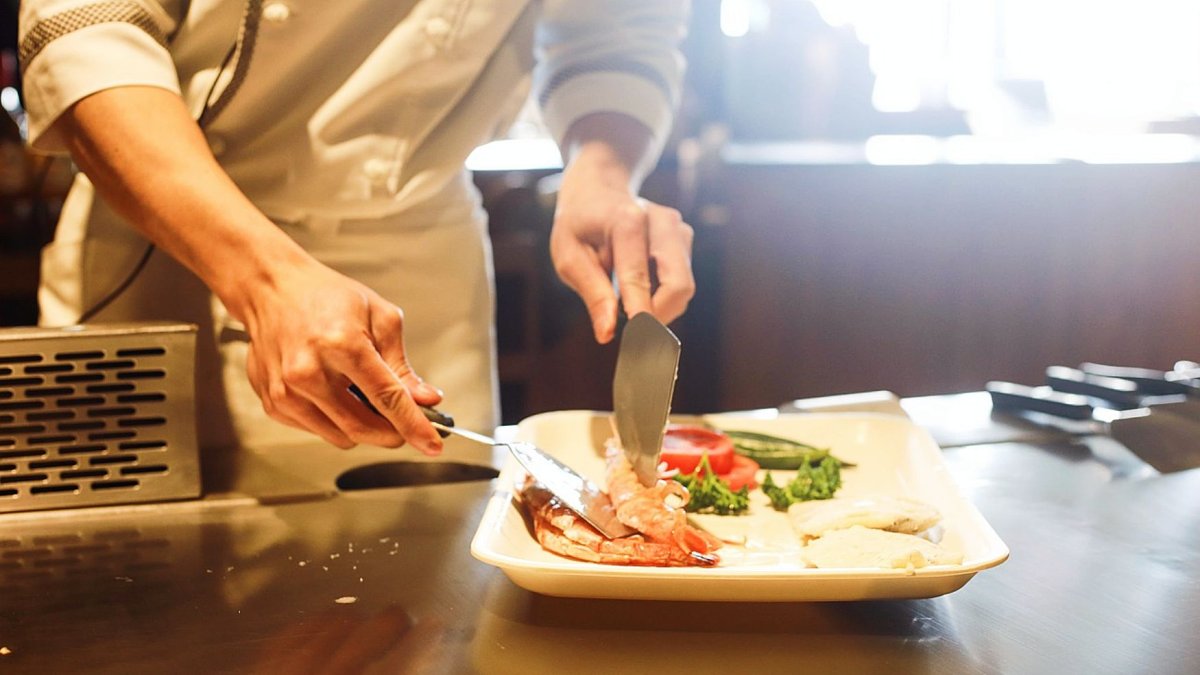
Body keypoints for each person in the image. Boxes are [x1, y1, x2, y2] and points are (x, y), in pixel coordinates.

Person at [17, 1, 695, 459]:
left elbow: (617, 31)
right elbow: (86, 32)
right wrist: (264, 281)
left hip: (424, 263)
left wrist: (602, 172)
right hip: (177, 237)